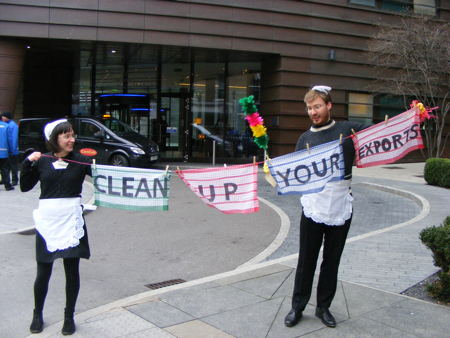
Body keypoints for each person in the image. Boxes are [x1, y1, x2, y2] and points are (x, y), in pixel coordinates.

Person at [284, 86, 367, 328]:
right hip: (313, 207)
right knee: (306, 260)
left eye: (317, 106)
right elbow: (296, 173)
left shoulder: (348, 130)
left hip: (341, 206)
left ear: (329, 106)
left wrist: (411, 116)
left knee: (332, 261)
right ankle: (297, 307)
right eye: (309, 108)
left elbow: (379, 133)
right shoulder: (304, 138)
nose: (313, 112)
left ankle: (323, 308)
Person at [20, 119, 92, 335]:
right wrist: (27, 163)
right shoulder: (42, 161)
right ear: (54, 139)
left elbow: (110, 180)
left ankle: (69, 316)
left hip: (71, 221)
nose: (72, 139)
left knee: (72, 272)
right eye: (66, 136)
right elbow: (25, 187)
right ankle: (37, 314)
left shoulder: (81, 161)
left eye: (73, 135)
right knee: (43, 271)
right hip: (48, 223)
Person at [2, 112, 19, 186]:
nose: (2, 118)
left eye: (3, 117)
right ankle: (6, 180)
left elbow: (14, 138)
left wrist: (13, 149)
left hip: (12, 150)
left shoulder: (13, 125)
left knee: (13, 165)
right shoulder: (8, 125)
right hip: (8, 149)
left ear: (6, 117)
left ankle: (15, 180)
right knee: (7, 166)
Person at [0, 117, 13, 190]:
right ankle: (7, 186)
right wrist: (12, 149)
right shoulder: (6, 126)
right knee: (4, 169)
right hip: (3, 152)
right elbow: (10, 139)